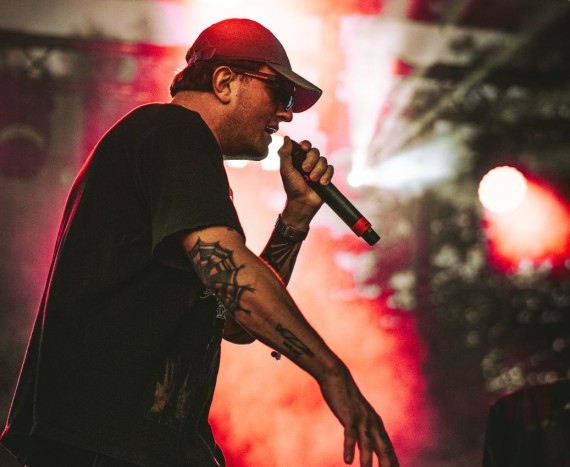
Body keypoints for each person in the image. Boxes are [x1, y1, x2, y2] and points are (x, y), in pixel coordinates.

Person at [1, 18, 399, 467]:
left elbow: (235, 323)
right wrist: (332, 372)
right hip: (105, 445)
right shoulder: (173, 129)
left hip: (134, 447)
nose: (287, 114)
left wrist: (296, 217)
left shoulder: (170, 151)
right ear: (225, 81)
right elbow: (227, 267)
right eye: (280, 94)